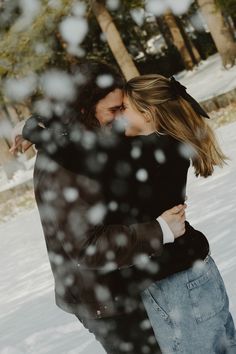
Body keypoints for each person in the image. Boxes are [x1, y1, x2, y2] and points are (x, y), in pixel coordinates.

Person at [10, 61, 209, 353]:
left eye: (122, 108)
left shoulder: (84, 139)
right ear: (83, 109)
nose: (120, 119)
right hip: (106, 303)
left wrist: (34, 124)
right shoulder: (63, 166)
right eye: (113, 110)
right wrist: (159, 230)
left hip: (125, 282)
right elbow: (86, 246)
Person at [119, 73, 236, 353]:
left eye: (124, 109)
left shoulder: (151, 151)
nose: (117, 117)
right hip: (192, 275)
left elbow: (92, 154)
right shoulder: (166, 146)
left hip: (178, 285)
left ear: (147, 114)